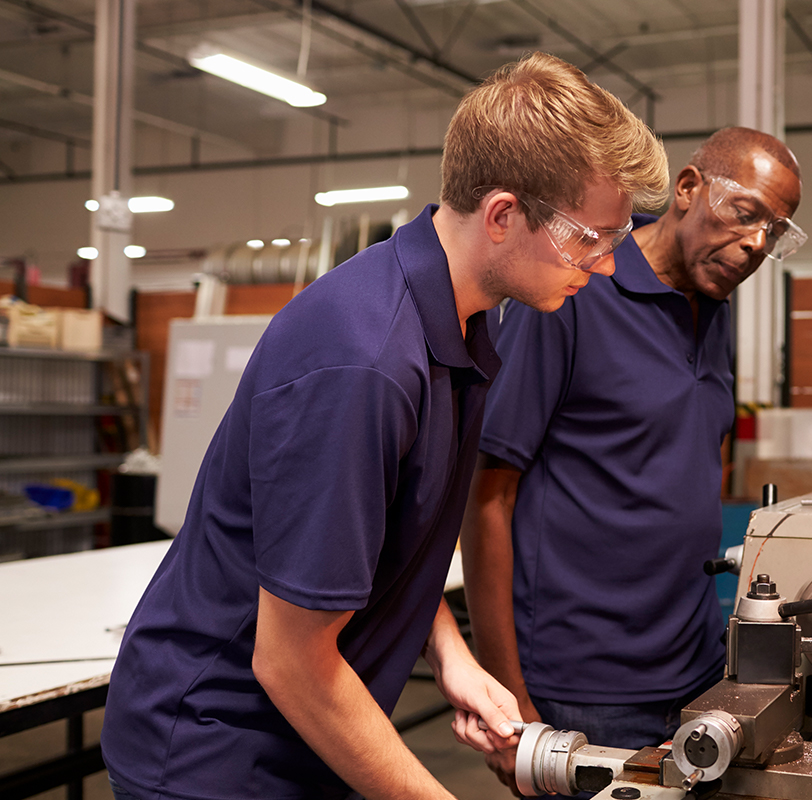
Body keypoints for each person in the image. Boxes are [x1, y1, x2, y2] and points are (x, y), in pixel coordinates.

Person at [100, 52, 668, 800]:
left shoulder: (457, 324)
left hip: (303, 734)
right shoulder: (363, 359)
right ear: (502, 215)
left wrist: (452, 655)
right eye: (587, 238)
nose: (601, 266)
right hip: (215, 754)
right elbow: (290, 661)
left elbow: (378, 536)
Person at [463, 127, 804, 789]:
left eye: (776, 233)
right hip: (585, 686)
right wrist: (509, 701)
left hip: (697, 671)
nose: (756, 244)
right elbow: (486, 496)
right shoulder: (573, 291)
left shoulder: (714, 309)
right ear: (687, 188)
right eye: (745, 215)